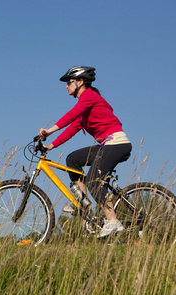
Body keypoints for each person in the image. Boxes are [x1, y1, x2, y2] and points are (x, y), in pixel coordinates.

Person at [38, 66, 132, 238]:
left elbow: (71, 115)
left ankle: (112, 221)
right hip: (107, 144)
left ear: (80, 82)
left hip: (116, 143)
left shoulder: (88, 96)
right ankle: (85, 206)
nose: (66, 86)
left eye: (69, 82)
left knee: (94, 182)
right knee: (73, 159)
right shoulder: (85, 108)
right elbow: (72, 127)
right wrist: (50, 146)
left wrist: (49, 130)